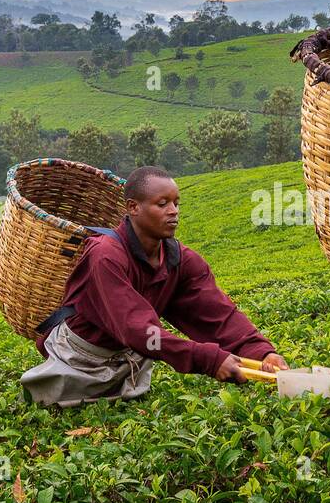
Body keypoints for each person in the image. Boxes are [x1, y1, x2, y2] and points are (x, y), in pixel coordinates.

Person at [21, 166, 287, 406]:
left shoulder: (180, 260)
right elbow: (138, 330)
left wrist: (262, 352)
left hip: (131, 358)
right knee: (48, 404)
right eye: (162, 204)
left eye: (176, 203)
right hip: (80, 358)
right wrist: (206, 358)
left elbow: (219, 315)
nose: (173, 211)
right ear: (133, 207)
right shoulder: (105, 256)